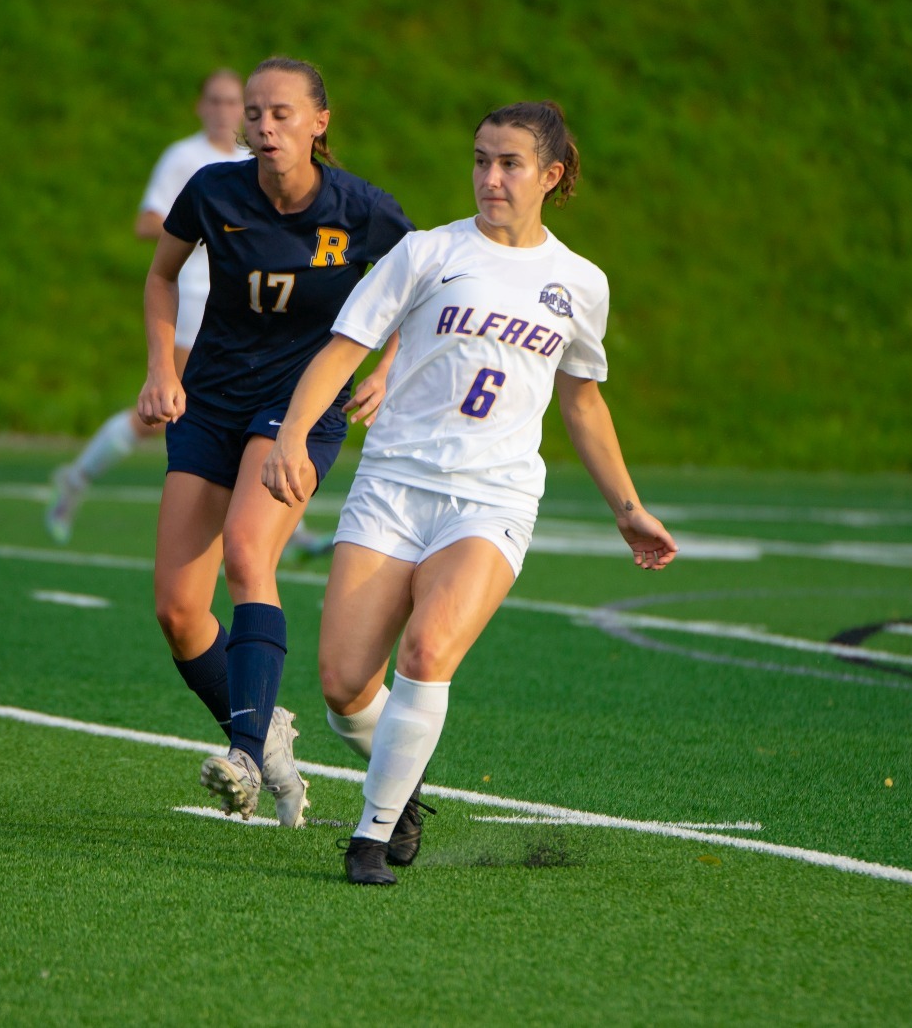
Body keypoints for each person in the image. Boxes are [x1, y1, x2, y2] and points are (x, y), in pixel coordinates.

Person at [261, 100, 678, 883]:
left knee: (427, 651)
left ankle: (370, 838)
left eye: (510, 163)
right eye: (481, 159)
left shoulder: (580, 283)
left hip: (493, 497)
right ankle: (404, 781)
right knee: (345, 687)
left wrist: (629, 508)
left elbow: (583, 399)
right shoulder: (426, 253)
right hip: (392, 484)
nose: (491, 176)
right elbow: (342, 349)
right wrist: (290, 435)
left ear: (551, 176)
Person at [140, 57, 415, 826]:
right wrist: (162, 368)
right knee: (176, 609)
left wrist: (386, 368)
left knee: (247, 554)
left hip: (300, 407)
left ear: (320, 122)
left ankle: (244, 753)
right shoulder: (213, 191)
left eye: (283, 114)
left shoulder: (361, 208)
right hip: (212, 399)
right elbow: (161, 278)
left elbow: (424, 288)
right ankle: (265, 739)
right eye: (254, 114)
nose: (264, 127)